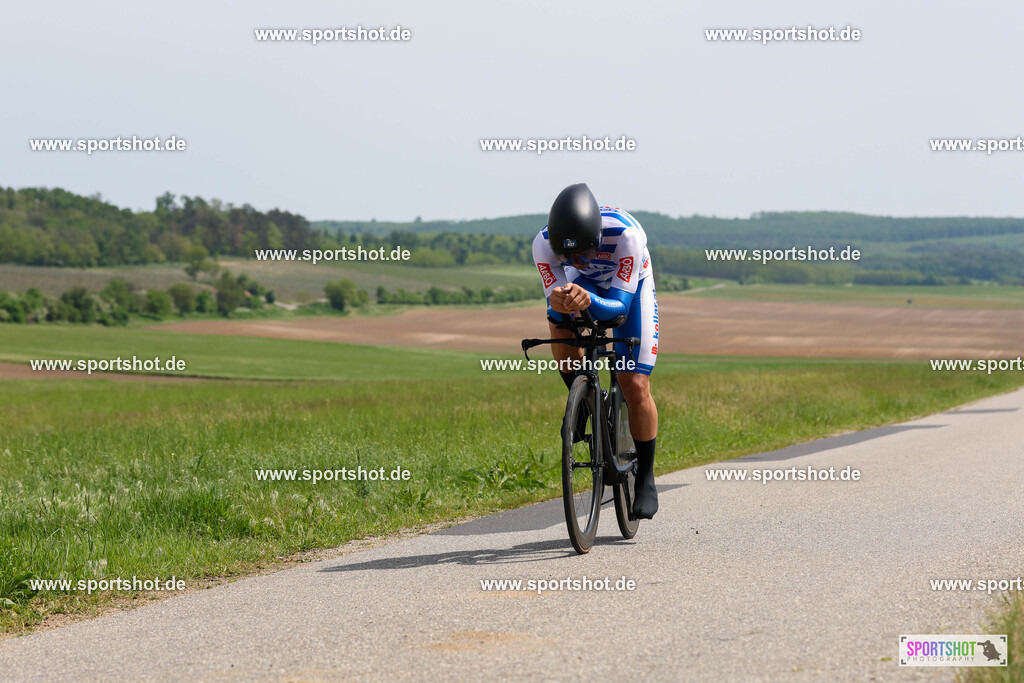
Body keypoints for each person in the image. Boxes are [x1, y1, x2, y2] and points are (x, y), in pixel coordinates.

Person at [532, 183, 661, 519]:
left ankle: (645, 477)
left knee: (634, 383)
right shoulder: (542, 244)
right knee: (557, 314)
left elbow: (618, 308)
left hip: (629, 290)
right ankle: (583, 400)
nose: (577, 262)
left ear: (598, 239)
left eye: (584, 255)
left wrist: (588, 300)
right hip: (585, 286)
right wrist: (564, 299)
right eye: (568, 258)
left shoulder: (627, 237)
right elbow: (556, 298)